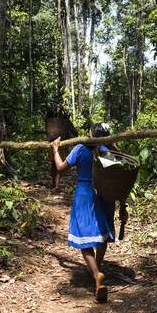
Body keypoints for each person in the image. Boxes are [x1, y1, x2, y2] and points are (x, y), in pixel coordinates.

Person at [50, 122, 116, 302]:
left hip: (85, 194)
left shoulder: (80, 148)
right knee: (101, 234)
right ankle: (98, 266)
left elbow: (61, 168)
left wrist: (56, 149)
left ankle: (96, 274)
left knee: (83, 237)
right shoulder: (105, 151)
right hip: (102, 194)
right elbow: (118, 169)